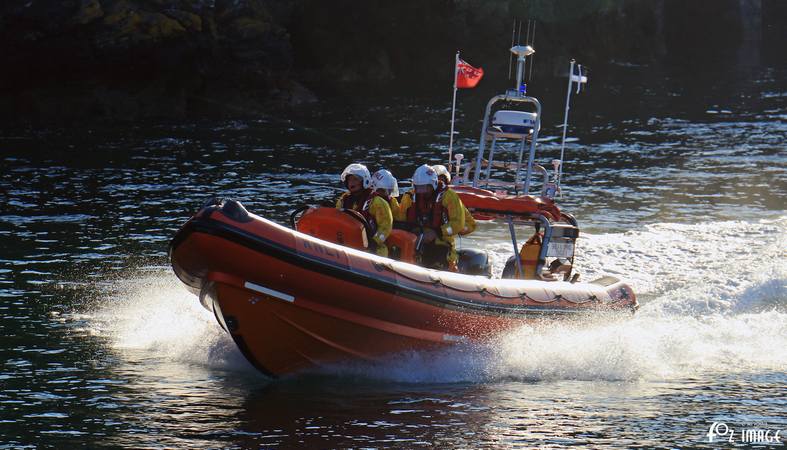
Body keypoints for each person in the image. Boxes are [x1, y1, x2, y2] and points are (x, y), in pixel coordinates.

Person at [396, 164, 465, 271]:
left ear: (433, 184)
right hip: (414, 240)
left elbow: (458, 223)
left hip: (441, 243)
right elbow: (400, 219)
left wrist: (437, 232)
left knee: (437, 260)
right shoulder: (409, 197)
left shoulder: (449, 197)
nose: (421, 191)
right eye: (418, 187)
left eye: (424, 187)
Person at [432, 164, 476, 236]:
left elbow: (470, 225)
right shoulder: (415, 196)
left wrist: (453, 228)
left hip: (443, 241)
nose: (439, 183)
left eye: (441, 180)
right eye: (436, 180)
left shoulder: (451, 198)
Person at [363, 169, 399, 257]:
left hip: (380, 240)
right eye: (382, 191)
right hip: (367, 237)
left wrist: (374, 242)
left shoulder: (391, 202)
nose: (386, 194)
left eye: (388, 191)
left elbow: (393, 221)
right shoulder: (370, 202)